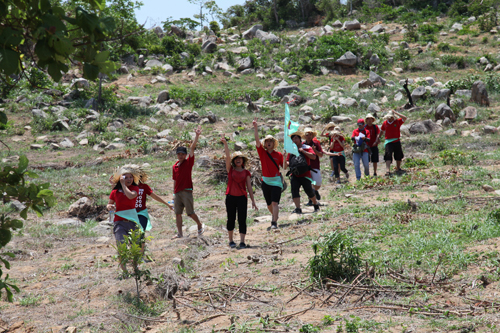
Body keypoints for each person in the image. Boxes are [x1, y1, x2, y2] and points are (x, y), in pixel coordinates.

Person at [221, 135, 258, 249]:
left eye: (240, 158)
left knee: (242, 219)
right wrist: (225, 144)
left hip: (242, 198)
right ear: (234, 161)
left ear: (243, 161)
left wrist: (253, 201)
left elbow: (249, 187)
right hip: (231, 197)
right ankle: (231, 240)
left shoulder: (246, 172)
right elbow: (227, 157)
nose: (238, 159)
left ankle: (242, 242)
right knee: (231, 219)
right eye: (236, 158)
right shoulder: (230, 169)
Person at [134, 163, 174, 259]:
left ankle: (141, 256)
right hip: (131, 213)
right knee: (133, 234)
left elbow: (155, 196)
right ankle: (134, 255)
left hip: (142, 213)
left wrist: (167, 204)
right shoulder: (127, 187)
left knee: (141, 233)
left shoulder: (144, 187)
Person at [172, 125, 204, 239]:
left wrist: (197, 136)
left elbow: (192, 148)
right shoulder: (174, 166)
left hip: (186, 191)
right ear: (177, 155)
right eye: (179, 154)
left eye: (182, 154)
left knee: (190, 213)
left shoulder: (188, 163)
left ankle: (199, 225)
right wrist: (173, 194)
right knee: (178, 213)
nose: (181, 156)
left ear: (185, 155)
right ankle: (180, 233)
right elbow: (175, 180)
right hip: (177, 192)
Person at [107, 165, 140, 273]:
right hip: (119, 222)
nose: (129, 179)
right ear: (121, 179)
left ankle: (135, 268)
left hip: (133, 221)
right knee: (121, 246)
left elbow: (131, 196)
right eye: (126, 177)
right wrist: (109, 207)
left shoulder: (135, 189)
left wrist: (122, 184)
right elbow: (109, 203)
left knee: (134, 246)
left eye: (130, 177)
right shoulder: (115, 192)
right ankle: (125, 271)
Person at [253, 118, 284, 230]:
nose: (269, 142)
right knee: (269, 205)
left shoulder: (279, 154)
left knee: (275, 203)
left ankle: (274, 222)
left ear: (273, 143)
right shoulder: (262, 153)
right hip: (265, 181)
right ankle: (274, 216)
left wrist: (285, 159)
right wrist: (255, 128)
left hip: (276, 181)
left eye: (271, 141)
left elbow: (284, 167)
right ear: (265, 144)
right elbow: (257, 141)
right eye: (267, 141)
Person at [286, 130, 320, 214]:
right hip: (294, 174)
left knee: (309, 191)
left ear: (300, 139)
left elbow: (313, 157)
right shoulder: (291, 150)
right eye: (293, 139)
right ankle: (298, 208)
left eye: (296, 138)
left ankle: (315, 204)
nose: (294, 140)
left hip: (305, 174)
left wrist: (303, 151)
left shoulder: (307, 147)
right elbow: (287, 161)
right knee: (294, 191)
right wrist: (288, 164)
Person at [376, 110, 407, 176]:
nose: (390, 119)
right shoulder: (385, 123)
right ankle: (388, 170)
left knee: (398, 155)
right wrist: (378, 138)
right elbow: (382, 131)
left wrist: (396, 112)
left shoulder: (397, 122)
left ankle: (398, 168)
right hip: (388, 141)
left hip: (396, 141)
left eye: (391, 117)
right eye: (389, 117)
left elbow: (405, 118)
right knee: (388, 155)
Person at [303, 127, 323, 205]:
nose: (308, 136)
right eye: (307, 134)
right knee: (309, 184)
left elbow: (321, 155)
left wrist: (314, 150)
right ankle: (310, 200)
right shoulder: (302, 144)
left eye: (310, 134)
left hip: (315, 166)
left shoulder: (316, 143)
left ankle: (315, 190)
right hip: (306, 167)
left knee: (317, 183)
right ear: (304, 136)